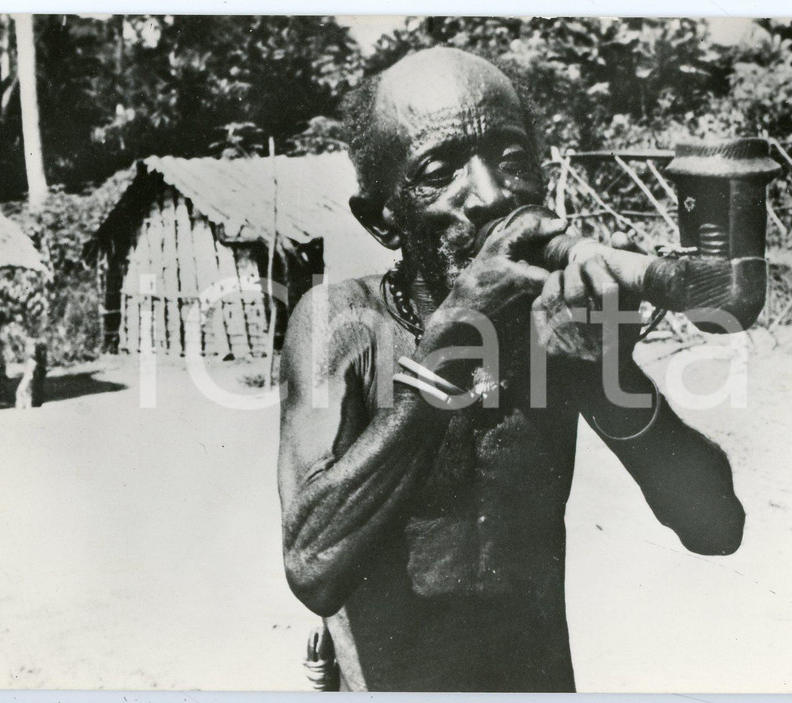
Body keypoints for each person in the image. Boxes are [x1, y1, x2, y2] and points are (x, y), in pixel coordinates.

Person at [277, 47, 745, 692]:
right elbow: (313, 568)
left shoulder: (553, 323)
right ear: (383, 220)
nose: (492, 196)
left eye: (514, 160)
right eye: (440, 172)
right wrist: (450, 347)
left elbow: (716, 528)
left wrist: (608, 371)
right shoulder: (342, 322)